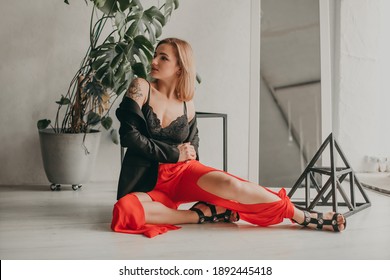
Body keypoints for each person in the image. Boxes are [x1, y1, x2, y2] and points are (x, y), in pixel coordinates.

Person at [111, 37, 346, 238]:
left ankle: (301, 215)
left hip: (182, 173)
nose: (153, 61)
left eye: (163, 57)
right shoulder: (141, 87)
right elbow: (129, 136)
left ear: (180, 67)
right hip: (147, 179)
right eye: (155, 55)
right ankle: (199, 215)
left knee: (232, 185)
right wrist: (174, 153)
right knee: (125, 209)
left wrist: (190, 156)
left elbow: (193, 144)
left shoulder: (187, 104)